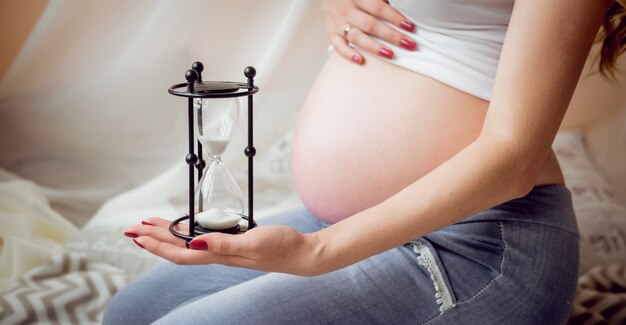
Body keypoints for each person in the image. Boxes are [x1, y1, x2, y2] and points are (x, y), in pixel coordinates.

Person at [103, 0, 626, 324]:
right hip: (349, 220)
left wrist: (317, 252)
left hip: (479, 242)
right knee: (129, 314)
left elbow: (515, 155)